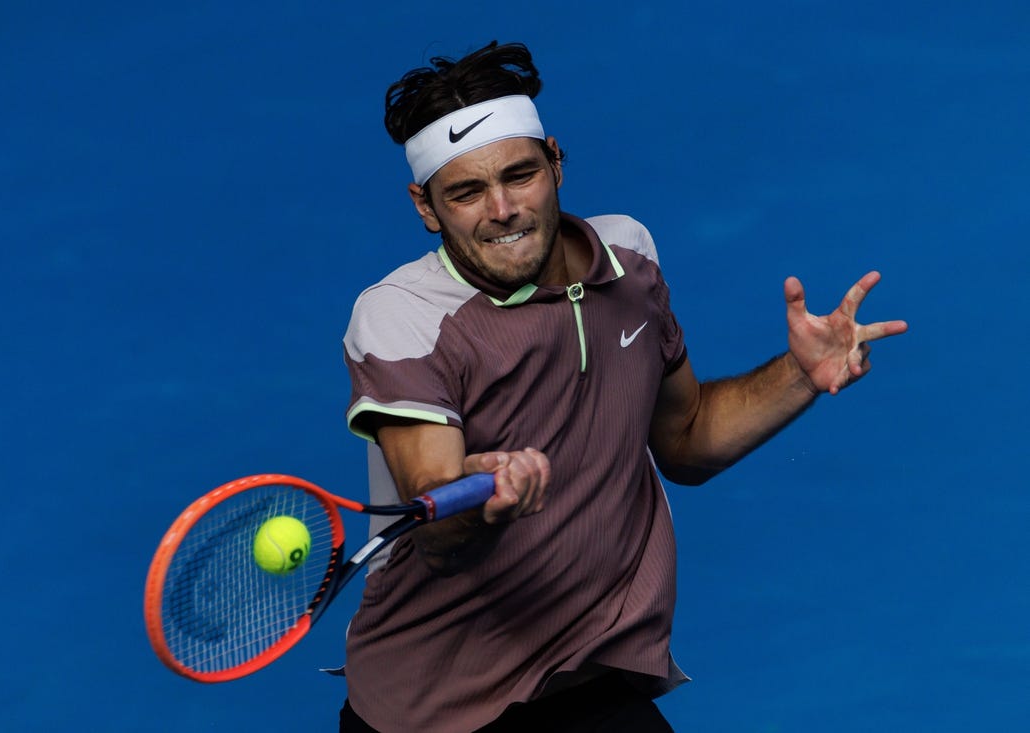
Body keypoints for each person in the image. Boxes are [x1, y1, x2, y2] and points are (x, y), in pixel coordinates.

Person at [339, 41, 907, 733]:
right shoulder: (402, 315)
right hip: (436, 711)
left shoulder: (629, 255)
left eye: (520, 175)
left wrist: (799, 376)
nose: (502, 208)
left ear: (555, 160)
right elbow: (437, 523)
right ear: (425, 206)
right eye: (465, 192)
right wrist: (480, 489)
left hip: (593, 681)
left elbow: (687, 438)